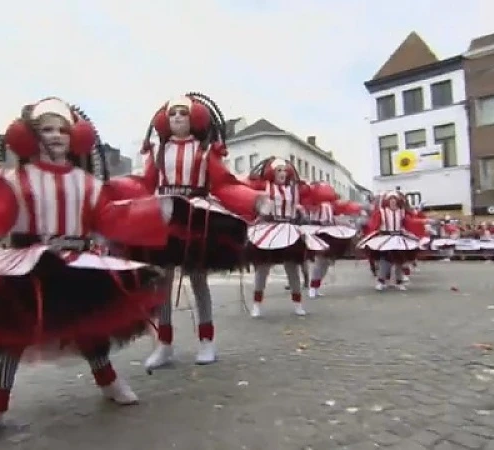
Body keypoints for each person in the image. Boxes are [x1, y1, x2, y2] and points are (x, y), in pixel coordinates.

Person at [0, 97, 174, 446]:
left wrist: (152, 213)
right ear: (32, 137)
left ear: (74, 137)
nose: (55, 136)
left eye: (62, 130)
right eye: (47, 129)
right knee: (11, 336)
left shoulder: (88, 184)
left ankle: (109, 381)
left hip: (77, 263)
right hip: (25, 265)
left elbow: (111, 218)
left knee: (89, 327)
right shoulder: (14, 180)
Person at [112, 93, 268, 370]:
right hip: (163, 214)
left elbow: (224, 184)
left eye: (183, 114)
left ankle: (207, 341)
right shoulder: (159, 151)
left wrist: (253, 199)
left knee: (198, 279)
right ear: (165, 119)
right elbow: (144, 183)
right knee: (162, 282)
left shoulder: (205, 151)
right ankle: (164, 344)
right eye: (173, 114)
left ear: (194, 118)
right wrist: (114, 191)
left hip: (196, 216)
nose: (178, 119)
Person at [245, 157, 326, 317]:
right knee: (262, 269)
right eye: (279, 170)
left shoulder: (294, 189)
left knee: (292, 269)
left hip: (288, 229)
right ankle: (256, 304)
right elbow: (248, 187)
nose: (282, 173)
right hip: (269, 228)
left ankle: (297, 304)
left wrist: (301, 209)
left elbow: (310, 192)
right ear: (272, 173)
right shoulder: (265, 187)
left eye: (284, 170)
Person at [355, 191, 425, 291]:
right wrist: (369, 234)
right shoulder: (382, 212)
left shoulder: (401, 212)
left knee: (399, 261)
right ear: (387, 202)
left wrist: (423, 221)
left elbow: (409, 223)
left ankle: (399, 282)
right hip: (385, 238)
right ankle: (381, 281)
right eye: (391, 201)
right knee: (385, 260)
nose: (393, 203)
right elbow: (374, 225)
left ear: (397, 202)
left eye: (394, 201)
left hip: (398, 238)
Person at [303, 183, 358, 299]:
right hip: (318, 232)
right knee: (320, 261)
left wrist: (344, 222)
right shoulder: (313, 204)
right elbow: (308, 211)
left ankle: (316, 286)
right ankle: (312, 287)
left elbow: (335, 216)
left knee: (326, 263)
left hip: (330, 233)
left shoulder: (331, 205)